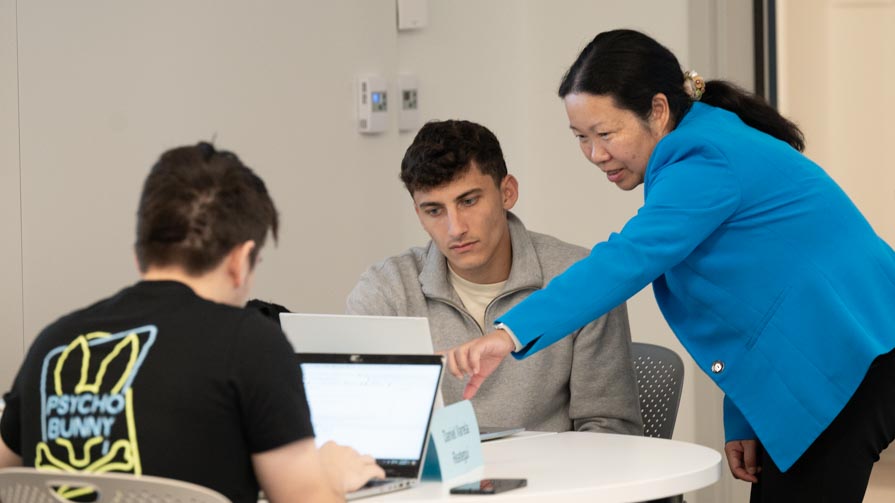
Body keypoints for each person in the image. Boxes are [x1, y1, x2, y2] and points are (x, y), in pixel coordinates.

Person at [443, 29, 895, 502]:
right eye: (581, 137)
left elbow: (623, 261)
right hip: (834, 351)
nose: (595, 155)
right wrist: (745, 417)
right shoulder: (706, 137)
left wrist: (507, 333)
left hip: (845, 357)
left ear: (658, 111)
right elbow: (750, 302)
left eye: (606, 133)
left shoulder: (702, 159)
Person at [0, 143, 384, 503]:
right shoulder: (252, 344)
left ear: (141, 254)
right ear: (241, 260)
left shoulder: (55, 343)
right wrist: (328, 476)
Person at [347, 119, 642, 435]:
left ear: (507, 192)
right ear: (419, 214)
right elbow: (359, 425)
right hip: (433, 482)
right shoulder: (384, 290)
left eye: (469, 201)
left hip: (551, 480)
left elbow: (610, 432)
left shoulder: (581, 279)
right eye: (434, 210)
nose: (455, 228)